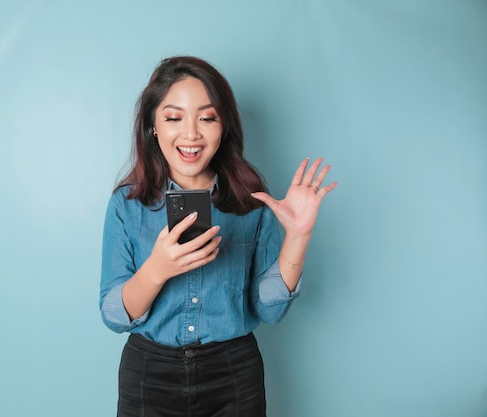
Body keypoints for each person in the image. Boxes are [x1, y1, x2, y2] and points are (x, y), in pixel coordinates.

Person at [99, 56, 337, 417]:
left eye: (207, 117)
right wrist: (157, 269)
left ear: (224, 126)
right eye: (174, 117)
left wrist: (298, 235)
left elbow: (268, 310)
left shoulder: (251, 201)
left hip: (233, 373)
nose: (191, 134)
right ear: (153, 126)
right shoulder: (127, 204)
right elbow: (114, 316)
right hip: (149, 373)